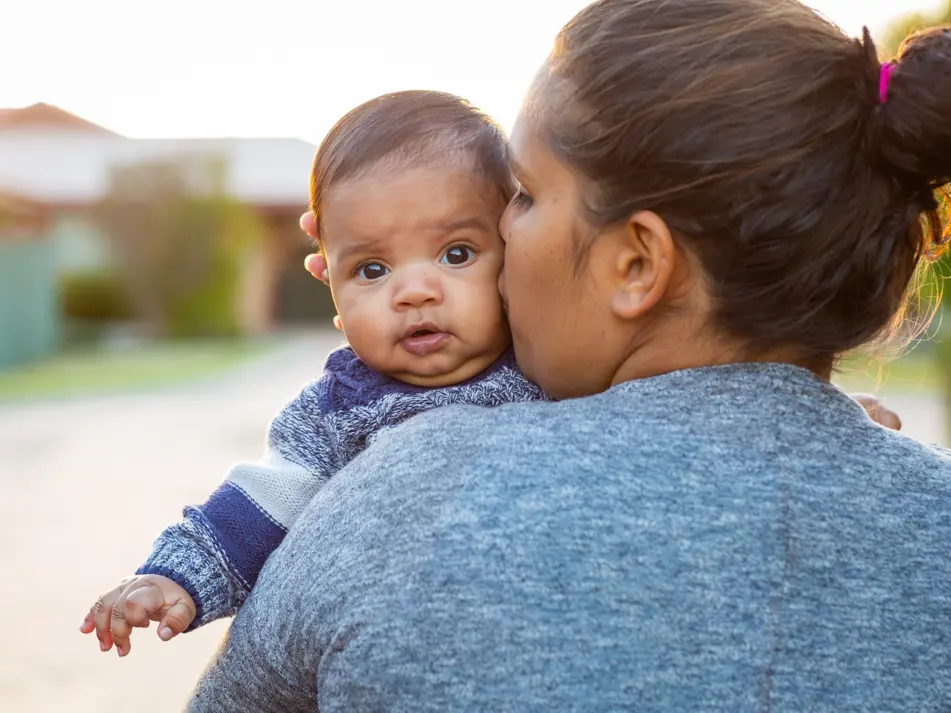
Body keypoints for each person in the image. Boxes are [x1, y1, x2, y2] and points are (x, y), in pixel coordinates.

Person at [181, 0, 951, 710]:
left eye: (519, 194)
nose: (497, 233)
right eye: (377, 266)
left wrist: (376, 272)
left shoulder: (411, 490)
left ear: (636, 264)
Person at [79, 91, 546, 656]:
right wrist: (174, 576)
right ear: (331, 285)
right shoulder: (338, 409)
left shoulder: (550, 364)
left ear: (516, 250)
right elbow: (260, 504)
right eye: (371, 269)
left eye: (457, 254)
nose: (414, 291)